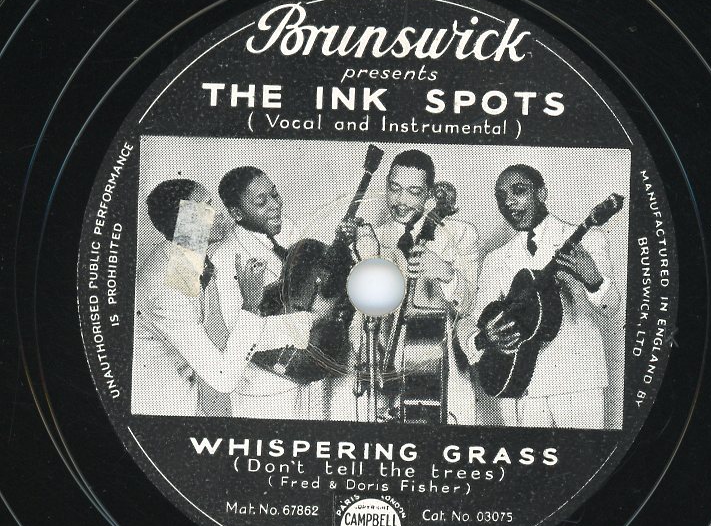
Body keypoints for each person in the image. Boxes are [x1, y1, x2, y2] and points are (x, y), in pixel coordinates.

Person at [131, 178, 316, 416]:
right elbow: (223, 378)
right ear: (186, 224)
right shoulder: (168, 290)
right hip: (162, 410)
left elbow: (224, 341)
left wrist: (306, 323)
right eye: (208, 206)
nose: (220, 214)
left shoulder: (185, 257)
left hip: (189, 398)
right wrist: (250, 304)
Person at [465, 164, 619, 429]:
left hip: (580, 383)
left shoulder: (589, 239)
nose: (508, 202)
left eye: (518, 191)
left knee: (582, 453)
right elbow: (479, 319)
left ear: (541, 193)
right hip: (524, 384)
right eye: (501, 196)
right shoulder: (495, 259)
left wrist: (593, 278)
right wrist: (484, 338)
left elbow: (612, 307)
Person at [345, 149, 481, 424]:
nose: (401, 201)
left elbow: (469, 305)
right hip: (384, 377)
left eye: (414, 192)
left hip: (441, 374)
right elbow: (359, 315)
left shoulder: (461, 234)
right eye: (394, 189)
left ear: (430, 195)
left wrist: (445, 273)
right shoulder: (373, 237)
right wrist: (365, 356)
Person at [212, 166, 333, 419]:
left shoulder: (286, 229)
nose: (275, 205)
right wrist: (312, 318)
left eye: (275, 194)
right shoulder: (225, 258)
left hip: (309, 375)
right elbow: (240, 334)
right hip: (265, 389)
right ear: (236, 213)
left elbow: (307, 283)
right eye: (261, 202)